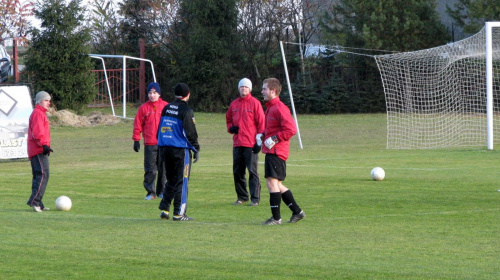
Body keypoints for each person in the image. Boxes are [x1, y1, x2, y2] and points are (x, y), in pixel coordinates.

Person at [259, 78, 305, 225]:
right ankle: (297, 212)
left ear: (273, 91)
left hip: (277, 152)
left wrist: (275, 139)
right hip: (273, 150)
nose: (262, 91)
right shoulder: (270, 107)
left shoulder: (279, 107)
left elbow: (291, 129)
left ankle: (276, 218)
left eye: (264, 89)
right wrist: (263, 136)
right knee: (276, 185)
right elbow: (273, 128)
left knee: (271, 183)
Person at [157, 83, 200, 221]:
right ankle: (179, 213)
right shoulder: (186, 111)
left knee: (171, 179)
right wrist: (196, 148)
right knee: (182, 180)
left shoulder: (166, 107)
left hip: (165, 148)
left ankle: (165, 209)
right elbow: (190, 132)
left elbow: (160, 127)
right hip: (180, 149)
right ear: (188, 94)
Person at [226, 78, 265, 206]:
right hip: (238, 143)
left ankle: (255, 198)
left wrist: (259, 141)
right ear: (239, 88)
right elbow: (228, 119)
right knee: (237, 172)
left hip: (250, 143)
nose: (243, 89)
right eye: (242, 87)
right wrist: (231, 128)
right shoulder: (234, 104)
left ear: (250, 89)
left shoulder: (255, 103)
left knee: (252, 171)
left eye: (246, 87)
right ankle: (242, 196)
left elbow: (261, 124)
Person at [132, 82, 168, 200]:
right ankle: (150, 192)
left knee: (163, 169)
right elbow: (138, 124)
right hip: (150, 144)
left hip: (164, 144)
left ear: (159, 94)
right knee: (150, 170)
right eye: (150, 93)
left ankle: (161, 191)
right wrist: (136, 139)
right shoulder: (143, 108)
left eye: (154, 93)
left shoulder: (165, 106)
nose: (152, 95)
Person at [27, 91, 53, 212]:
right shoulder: (38, 113)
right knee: (43, 175)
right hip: (38, 149)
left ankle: (38, 202)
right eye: (46, 100)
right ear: (39, 101)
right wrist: (44, 146)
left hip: (38, 149)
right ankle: (35, 201)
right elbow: (37, 133)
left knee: (39, 175)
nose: (49, 102)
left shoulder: (40, 113)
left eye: (49, 100)